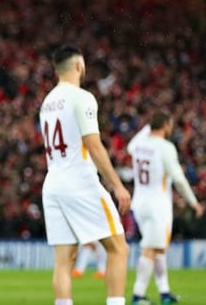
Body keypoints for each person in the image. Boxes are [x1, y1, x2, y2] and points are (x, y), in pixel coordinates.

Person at [38, 45, 131, 305]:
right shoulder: (82, 97)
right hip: (79, 182)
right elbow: (93, 144)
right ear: (79, 66)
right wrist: (117, 185)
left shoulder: (47, 103)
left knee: (64, 259)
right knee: (118, 248)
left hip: (53, 183)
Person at [127, 111, 205, 305]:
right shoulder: (165, 147)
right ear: (166, 125)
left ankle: (164, 292)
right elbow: (178, 179)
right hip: (157, 205)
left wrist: (148, 126)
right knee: (150, 249)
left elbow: (130, 146)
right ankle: (138, 295)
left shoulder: (138, 146)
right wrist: (193, 202)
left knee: (159, 249)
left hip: (140, 203)